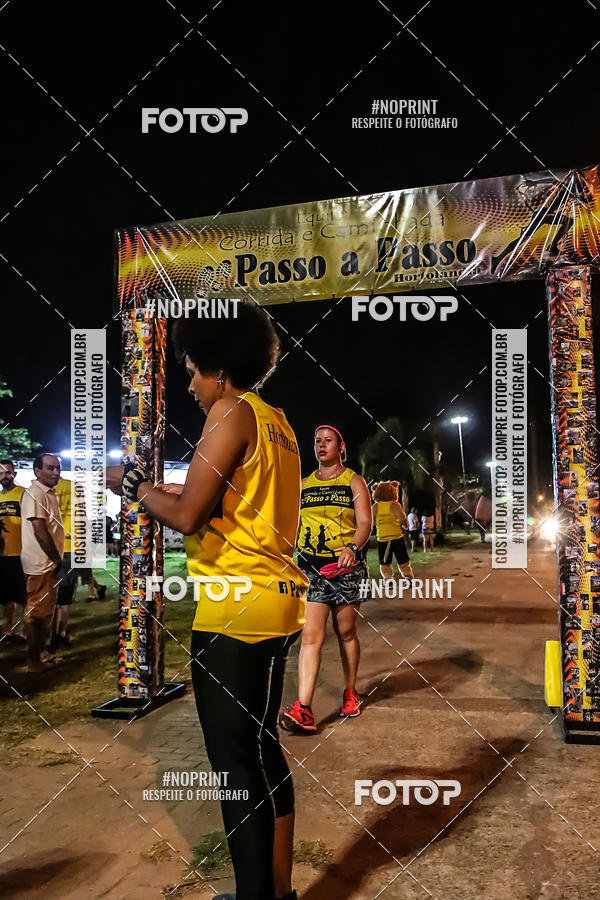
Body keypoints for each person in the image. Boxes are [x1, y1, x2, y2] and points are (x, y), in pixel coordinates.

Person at [107, 301, 305, 900]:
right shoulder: (276, 421)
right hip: (276, 602)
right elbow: (220, 497)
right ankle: (278, 890)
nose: (191, 385)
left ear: (219, 368)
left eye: (193, 371)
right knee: (262, 748)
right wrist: (160, 489)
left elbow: (189, 513)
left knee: (235, 768)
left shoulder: (227, 410)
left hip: (233, 611)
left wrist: (137, 488)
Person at [281, 425, 372, 734]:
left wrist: (352, 548)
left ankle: (350, 692)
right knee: (310, 636)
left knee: (346, 631)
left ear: (341, 446)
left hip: (345, 568)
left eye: (328, 440)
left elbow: (365, 523)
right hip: (311, 569)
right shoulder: (304, 484)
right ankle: (304, 708)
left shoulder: (354, 481)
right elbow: (294, 526)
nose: (321, 445)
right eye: (317, 440)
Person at [20, 453, 64, 673]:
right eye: (50, 468)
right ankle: (33, 661)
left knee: (43, 613)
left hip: (46, 563)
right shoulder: (35, 493)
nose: (56, 472)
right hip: (41, 564)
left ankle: (40, 654)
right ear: (37, 471)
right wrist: (56, 559)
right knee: (36, 615)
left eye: (58, 468)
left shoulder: (47, 492)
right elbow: (39, 529)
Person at [0, 460, 27, 640]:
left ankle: (24, 631)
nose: (5, 476)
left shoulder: (23, 493)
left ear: (14, 474)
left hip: (21, 553)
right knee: (5, 597)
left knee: (24, 596)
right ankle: (7, 630)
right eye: (1, 473)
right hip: (2, 554)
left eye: (8, 472)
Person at [371, 481, 414, 581]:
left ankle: (388, 578)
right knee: (403, 560)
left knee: (385, 562)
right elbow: (402, 518)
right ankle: (407, 576)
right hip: (397, 537)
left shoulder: (375, 507)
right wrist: (406, 525)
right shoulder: (394, 505)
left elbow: (372, 522)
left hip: (382, 539)